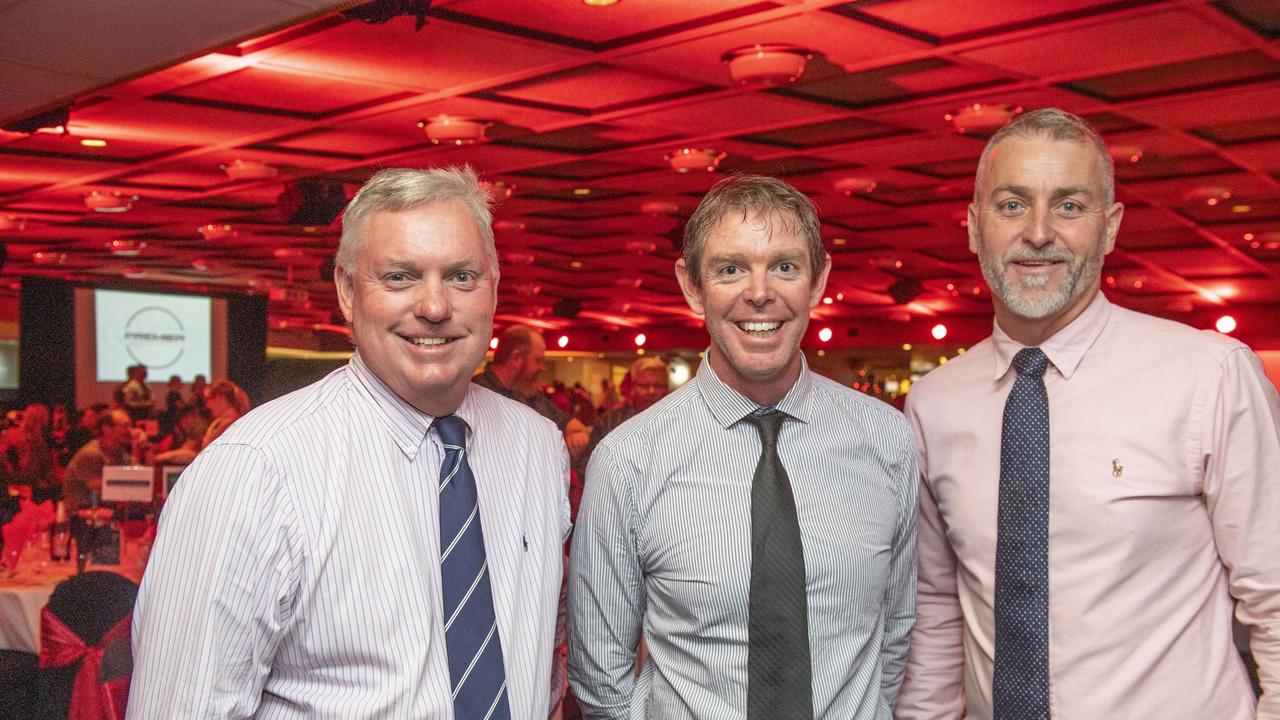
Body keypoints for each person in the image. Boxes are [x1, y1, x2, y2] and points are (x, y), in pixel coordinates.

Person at [129, 166, 571, 718]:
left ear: (494, 289)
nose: (434, 306)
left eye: (462, 277)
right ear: (345, 290)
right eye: (399, 277)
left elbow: (537, 664)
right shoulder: (255, 470)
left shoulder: (537, 446)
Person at [894, 108, 1280, 720]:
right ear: (973, 226)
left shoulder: (1209, 376)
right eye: (1012, 205)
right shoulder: (935, 402)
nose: (1039, 232)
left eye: (1069, 206)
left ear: (1110, 227)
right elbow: (939, 607)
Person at [568, 174, 919, 719]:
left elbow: (895, 629)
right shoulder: (628, 460)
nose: (760, 292)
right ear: (692, 285)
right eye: (731, 269)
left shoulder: (886, 439)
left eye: (785, 266)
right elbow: (600, 675)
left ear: (819, 279)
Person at [474, 324, 591, 458]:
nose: (542, 368)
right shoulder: (477, 393)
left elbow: (572, 425)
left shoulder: (533, 395)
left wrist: (576, 436)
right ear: (516, 358)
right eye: (538, 360)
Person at [199, 378, 249, 448]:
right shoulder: (219, 422)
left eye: (208, 399)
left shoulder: (231, 424)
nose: (207, 405)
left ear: (220, 398)